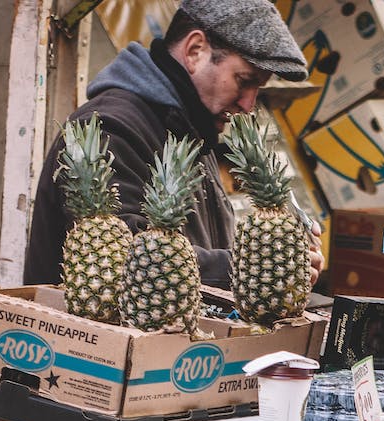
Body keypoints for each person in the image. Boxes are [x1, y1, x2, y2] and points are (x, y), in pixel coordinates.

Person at [23, 0, 323, 293]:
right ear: (195, 51)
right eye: (244, 81)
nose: (249, 105)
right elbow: (125, 257)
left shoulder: (192, 130)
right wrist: (256, 268)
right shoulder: (109, 127)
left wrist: (278, 257)